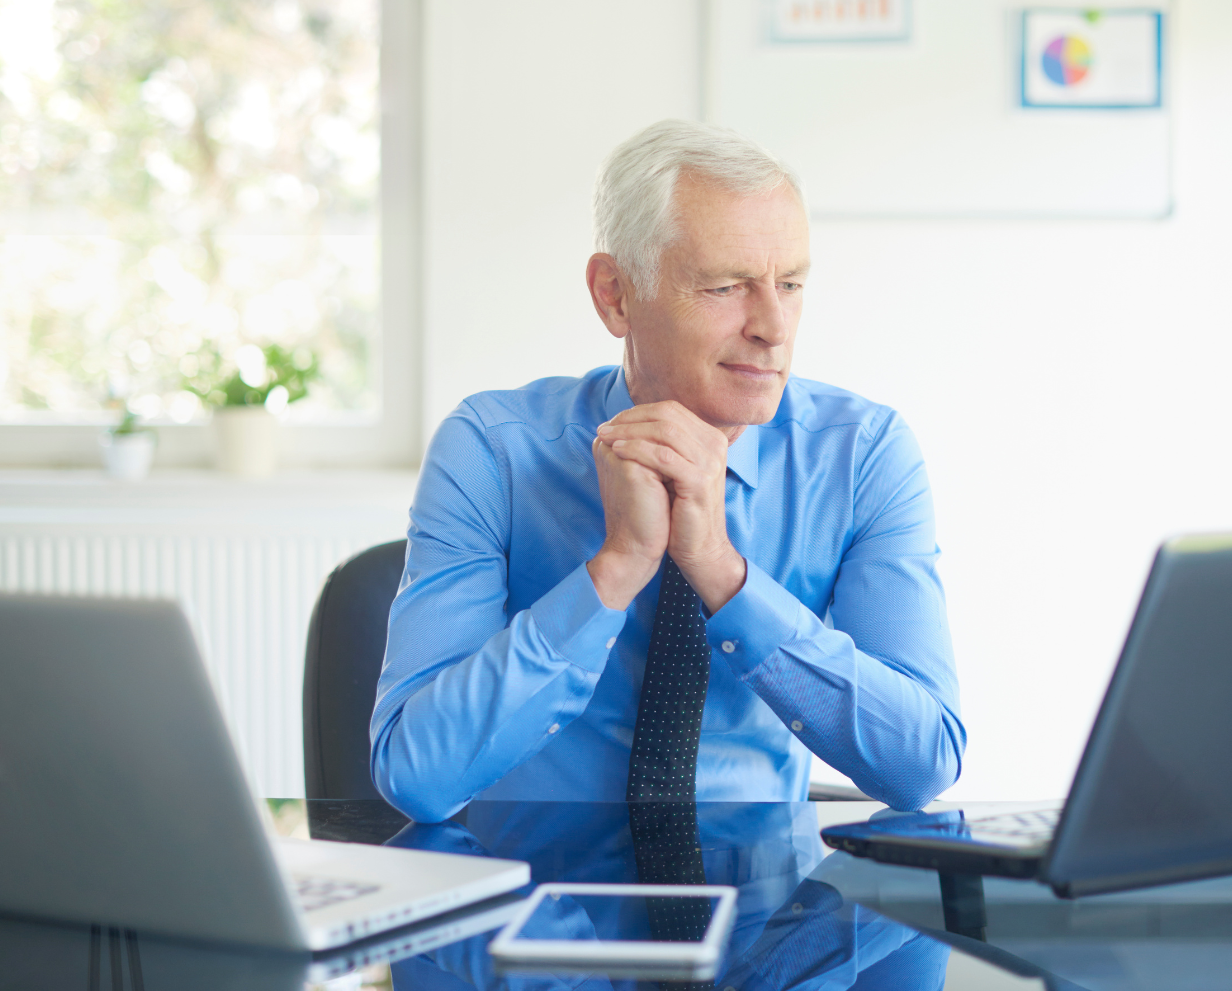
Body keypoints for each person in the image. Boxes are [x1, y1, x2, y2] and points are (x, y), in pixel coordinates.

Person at [370, 120, 963, 822]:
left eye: (792, 283)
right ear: (616, 295)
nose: (774, 326)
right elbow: (416, 775)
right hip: (533, 896)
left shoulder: (862, 455)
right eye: (726, 287)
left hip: (764, 905)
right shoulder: (493, 450)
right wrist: (614, 571)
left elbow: (921, 765)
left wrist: (720, 570)